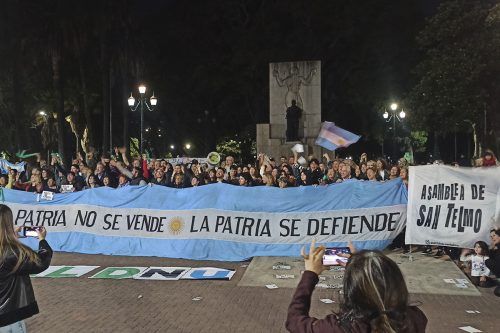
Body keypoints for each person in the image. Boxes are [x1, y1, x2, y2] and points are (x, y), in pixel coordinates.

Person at [286, 240, 427, 333]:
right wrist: (359, 266)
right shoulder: (415, 318)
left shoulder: (342, 328)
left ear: (353, 292)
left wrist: (310, 274)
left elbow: (294, 320)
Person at [0, 204, 53, 330]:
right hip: (8, 315)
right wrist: (42, 240)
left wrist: (11, 238)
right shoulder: (13, 252)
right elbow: (41, 261)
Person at [485, 229, 500, 297]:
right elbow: (492, 259)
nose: (492, 238)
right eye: (491, 236)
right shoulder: (496, 247)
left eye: (494, 235)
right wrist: (492, 249)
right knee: (497, 292)